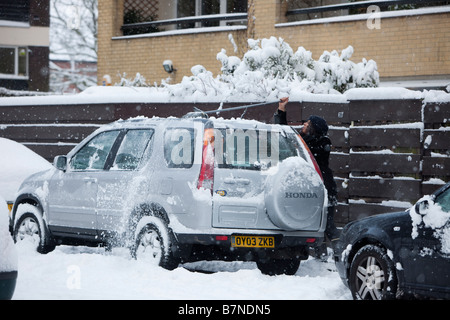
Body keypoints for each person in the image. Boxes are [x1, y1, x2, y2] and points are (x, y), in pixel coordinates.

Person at [275, 97, 340, 257]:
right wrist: (281, 110)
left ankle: (342, 252)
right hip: (313, 187)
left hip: (325, 188)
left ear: (314, 128)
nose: (304, 124)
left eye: (308, 123)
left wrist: (298, 142)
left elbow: (308, 147)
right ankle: (321, 254)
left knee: (328, 224)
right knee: (316, 223)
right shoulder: (304, 141)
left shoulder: (323, 142)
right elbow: (284, 133)